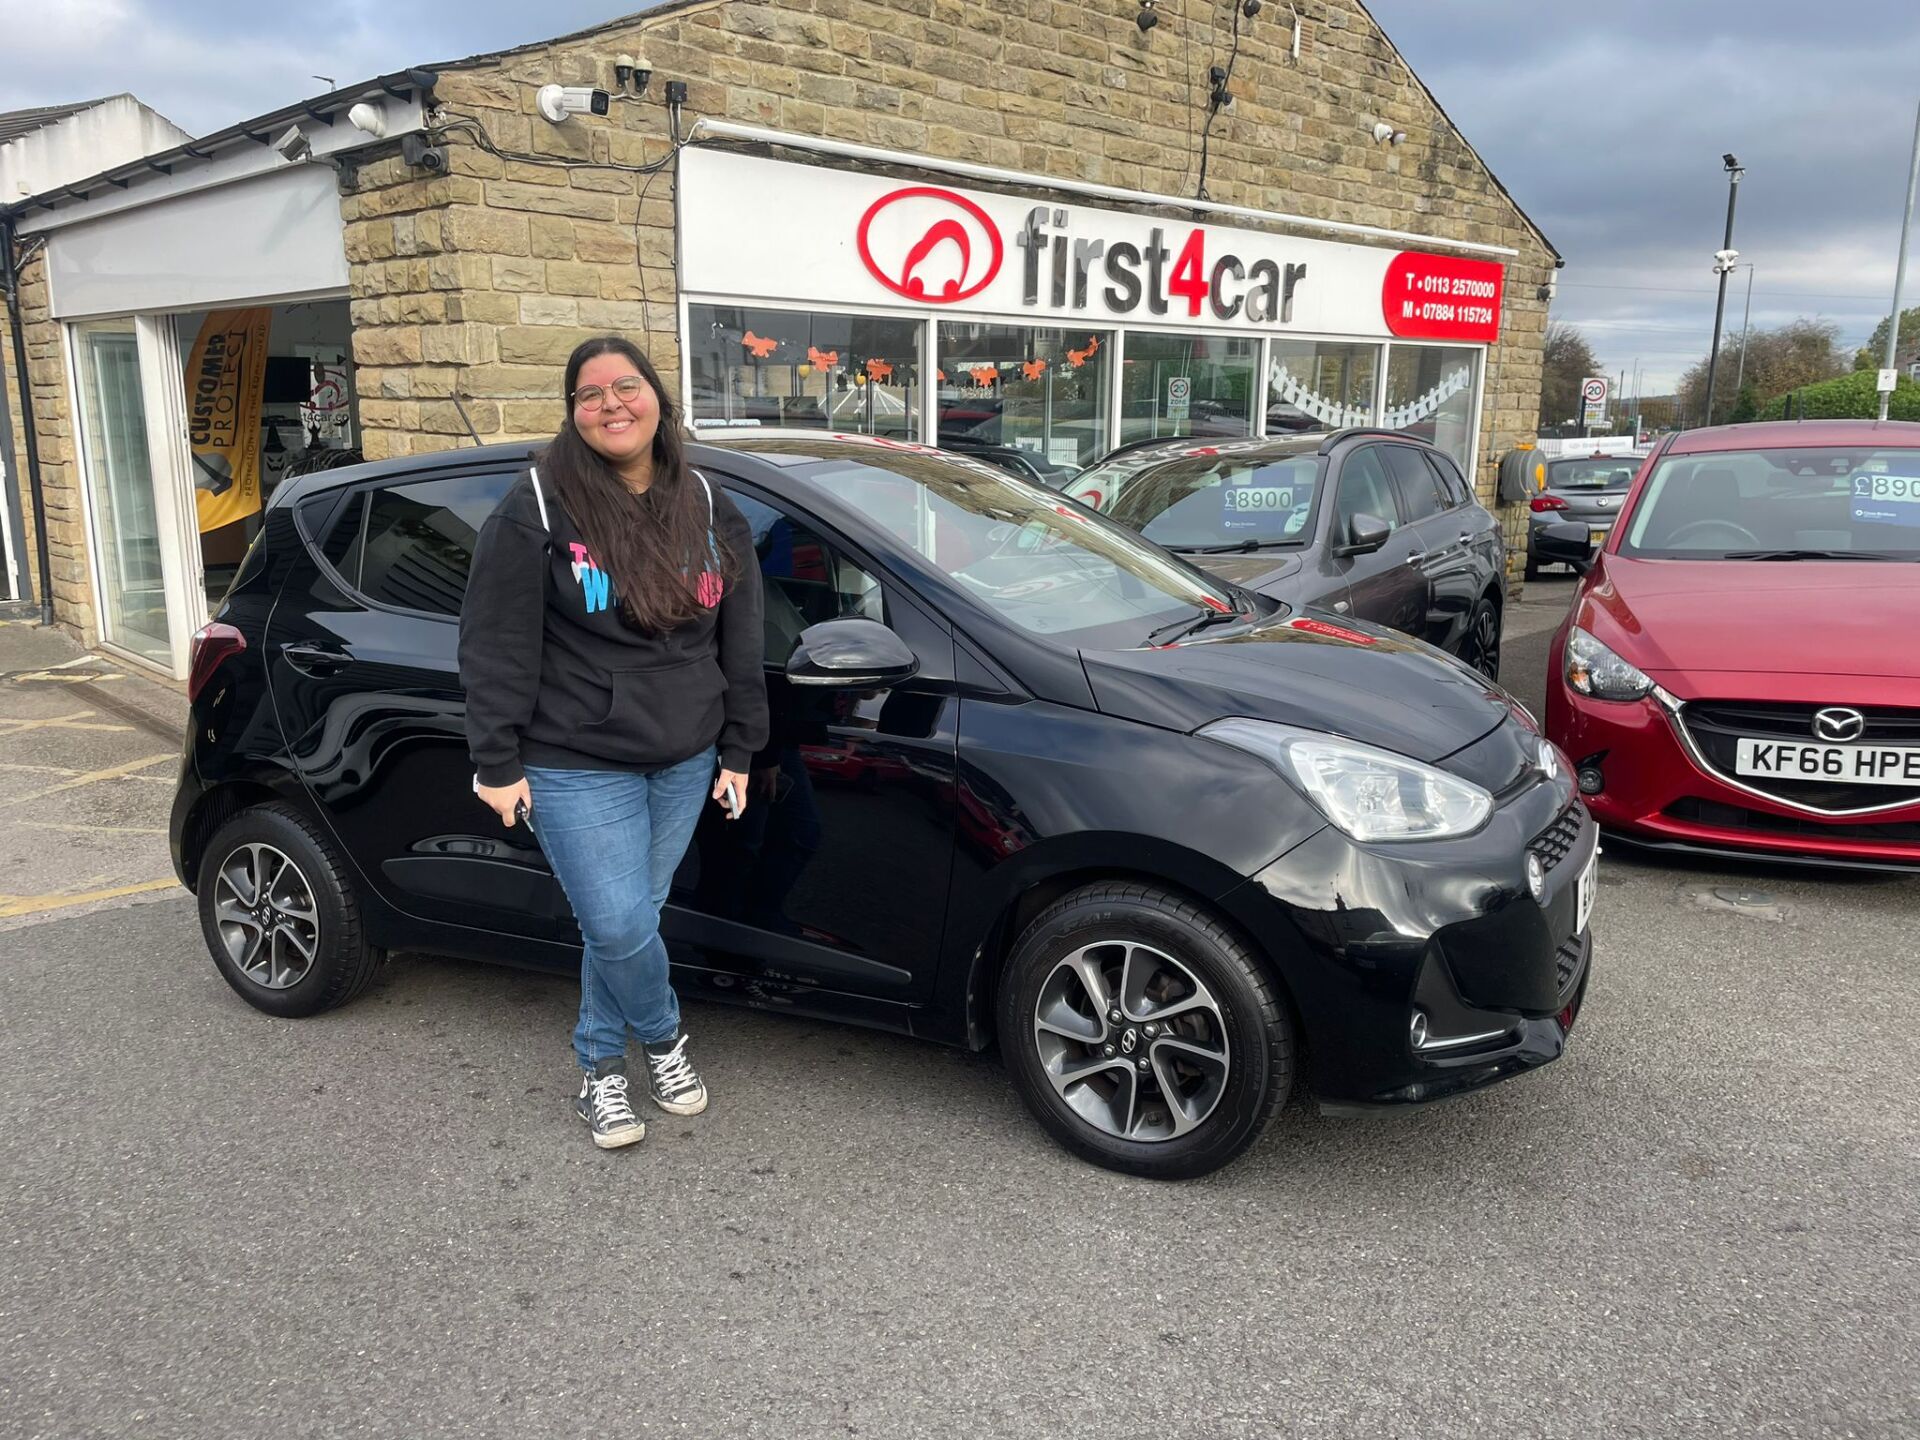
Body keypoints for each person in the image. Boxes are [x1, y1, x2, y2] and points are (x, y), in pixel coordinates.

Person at [457, 336, 768, 1151]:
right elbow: (495, 642)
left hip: (686, 752)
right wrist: (496, 758)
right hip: (572, 758)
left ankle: (600, 1067)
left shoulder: (705, 499)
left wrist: (739, 747)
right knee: (621, 923)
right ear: (572, 413)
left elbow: (741, 637)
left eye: (624, 387)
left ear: (656, 396)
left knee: (626, 923)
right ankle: (662, 1040)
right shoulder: (537, 504)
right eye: (589, 396)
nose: (610, 405)